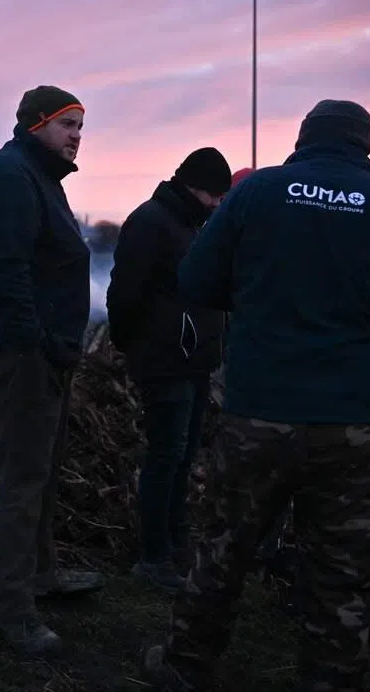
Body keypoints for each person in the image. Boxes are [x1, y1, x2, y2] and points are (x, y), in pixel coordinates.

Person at [140, 100, 370, 692]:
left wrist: (262, 298)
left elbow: (195, 281)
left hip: (260, 413)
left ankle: (185, 665)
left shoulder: (256, 194)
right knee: (342, 572)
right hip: (353, 425)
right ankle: (331, 680)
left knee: (223, 549)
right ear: (365, 145)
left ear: (302, 139)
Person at [0, 85, 104, 657]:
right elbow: (5, 270)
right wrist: (35, 345)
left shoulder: (39, 176)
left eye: (81, 128)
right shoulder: (13, 177)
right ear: (36, 124)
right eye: (68, 125)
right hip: (22, 354)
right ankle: (11, 610)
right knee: (20, 479)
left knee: (41, 469)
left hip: (46, 352)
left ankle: (40, 576)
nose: (76, 137)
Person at [105, 147, 234, 590]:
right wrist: (135, 345)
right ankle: (152, 557)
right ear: (189, 184)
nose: (218, 203)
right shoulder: (150, 222)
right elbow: (124, 295)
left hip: (194, 363)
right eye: (212, 193)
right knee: (165, 456)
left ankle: (176, 544)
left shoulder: (193, 225)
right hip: (164, 362)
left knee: (183, 457)